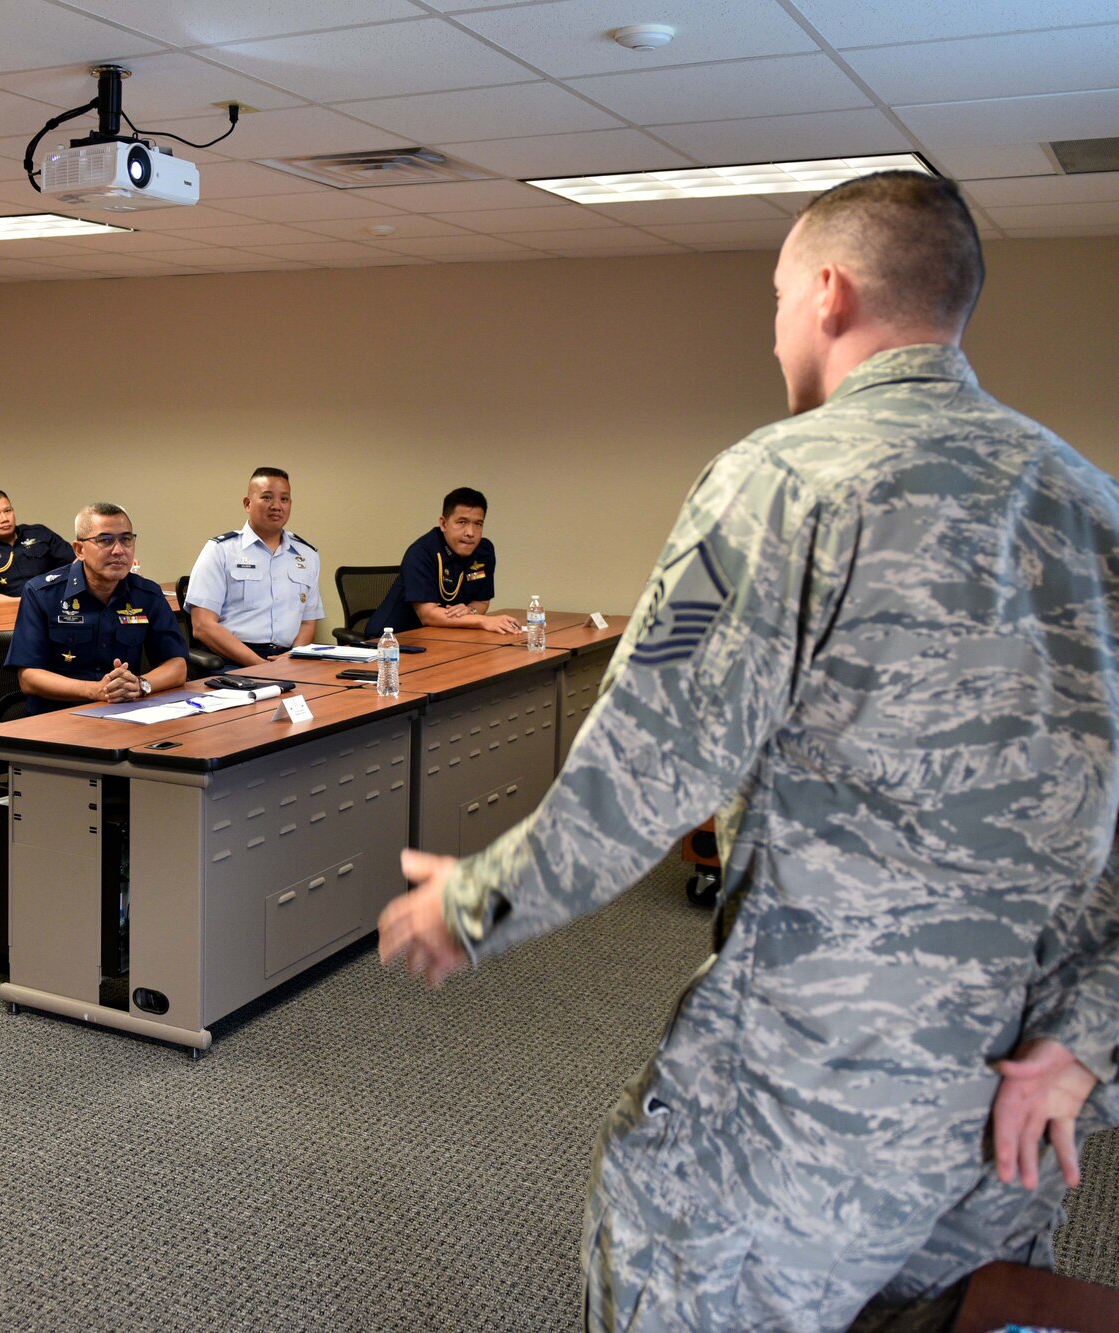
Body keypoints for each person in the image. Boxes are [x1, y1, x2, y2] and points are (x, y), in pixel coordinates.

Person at [375, 172, 1119, 1330]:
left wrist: (475, 901)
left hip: (803, 1087)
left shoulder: (780, 479)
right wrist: (1087, 1037)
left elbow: (646, 760)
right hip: (1009, 1102)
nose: (771, 323)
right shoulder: (1091, 505)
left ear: (826, 293)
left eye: (774, 294)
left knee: (666, 1265)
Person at [6, 502, 187, 714]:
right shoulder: (42, 594)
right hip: (58, 717)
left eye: (126, 539)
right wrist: (96, 691)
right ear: (79, 550)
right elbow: (29, 678)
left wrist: (140, 684)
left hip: (126, 713)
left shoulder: (146, 594)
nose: (118, 550)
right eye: (105, 540)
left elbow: (177, 666)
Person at [183, 467, 323, 666]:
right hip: (233, 660)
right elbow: (202, 625)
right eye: (267, 498)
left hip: (288, 659)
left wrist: (292, 658)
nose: (276, 506)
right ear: (248, 504)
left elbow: (308, 622)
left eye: (284, 499)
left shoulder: (307, 555)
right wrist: (261, 666)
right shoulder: (220, 550)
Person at [366, 487, 520, 636]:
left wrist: (470, 611)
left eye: (478, 524)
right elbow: (428, 615)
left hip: (443, 634)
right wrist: (483, 621)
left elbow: (481, 601)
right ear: (444, 524)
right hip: (392, 640)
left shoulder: (483, 550)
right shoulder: (422, 552)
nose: (470, 533)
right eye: (462, 522)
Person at [0, 488, 73, 603]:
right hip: (8, 611)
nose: (4, 519)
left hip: (54, 603)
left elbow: (75, 564)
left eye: (8, 511)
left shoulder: (39, 533)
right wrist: (28, 602)